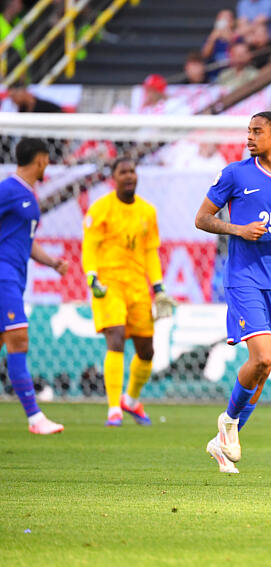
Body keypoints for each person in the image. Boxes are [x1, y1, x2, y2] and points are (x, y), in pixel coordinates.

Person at [195, 111, 271, 474]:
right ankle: (229, 423)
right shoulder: (234, 173)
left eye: (257, 131)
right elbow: (202, 218)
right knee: (261, 358)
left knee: (263, 371)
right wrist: (237, 229)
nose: (249, 137)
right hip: (243, 277)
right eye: (248, 131)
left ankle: (224, 441)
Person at [82, 158, 177, 427]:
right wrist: (92, 277)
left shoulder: (147, 211)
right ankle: (113, 408)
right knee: (116, 336)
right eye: (123, 172)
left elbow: (150, 251)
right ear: (113, 177)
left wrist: (158, 286)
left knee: (147, 350)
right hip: (109, 285)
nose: (129, 176)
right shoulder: (101, 209)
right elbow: (89, 246)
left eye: (132, 171)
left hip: (137, 286)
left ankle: (131, 400)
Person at [0, 138, 68, 434]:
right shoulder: (9, 189)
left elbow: (25, 240)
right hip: (3, 276)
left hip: (14, 275)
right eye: (47, 159)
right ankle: (34, 418)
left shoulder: (27, 194)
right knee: (19, 340)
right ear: (40, 159)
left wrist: (52, 262)